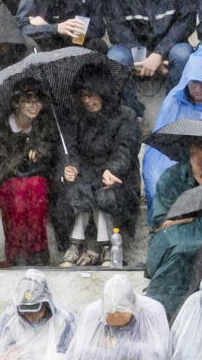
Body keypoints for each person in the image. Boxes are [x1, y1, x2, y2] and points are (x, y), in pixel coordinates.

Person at [55, 63, 140, 269]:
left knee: (105, 191)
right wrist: (69, 166)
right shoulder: (75, 116)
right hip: (84, 171)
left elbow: (125, 149)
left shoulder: (125, 116)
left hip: (117, 173)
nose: (87, 101)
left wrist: (112, 170)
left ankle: (107, 246)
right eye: (83, 96)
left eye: (92, 95)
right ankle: (74, 244)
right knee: (76, 187)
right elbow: (69, 149)